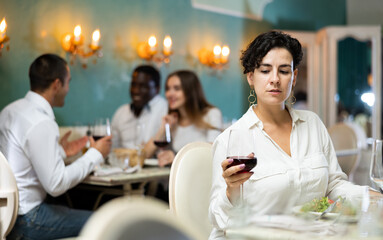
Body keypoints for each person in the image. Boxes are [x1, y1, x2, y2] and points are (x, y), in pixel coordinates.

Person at [208, 31, 378, 239]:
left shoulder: (312, 124)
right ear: (251, 77)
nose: (275, 79)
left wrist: (371, 197)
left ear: (294, 77)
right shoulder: (232, 139)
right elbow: (219, 220)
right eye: (265, 70)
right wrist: (230, 191)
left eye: (284, 71)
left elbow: (334, 185)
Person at [0, 54, 112, 240]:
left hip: (5, 216)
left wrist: (60, 151)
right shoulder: (42, 122)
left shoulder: (10, 111)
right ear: (57, 84)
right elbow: (56, 184)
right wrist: (95, 154)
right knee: (106, 221)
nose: (68, 89)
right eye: (68, 82)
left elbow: (21, 159)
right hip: (27, 219)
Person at [144, 70, 223, 167]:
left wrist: (176, 158)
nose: (169, 94)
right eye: (168, 89)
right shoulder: (172, 119)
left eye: (176, 89)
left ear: (190, 91)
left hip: (202, 178)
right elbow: (145, 155)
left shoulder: (211, 114)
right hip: (173, 180)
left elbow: (211, 152)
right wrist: (163, 129)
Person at [111, 65, 168, 149]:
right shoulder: (121, 112)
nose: (136, 91)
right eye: (133, 85)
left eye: (143, 86)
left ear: (157, 89)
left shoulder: (165, 110)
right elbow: (112, 146)